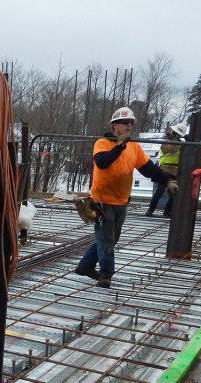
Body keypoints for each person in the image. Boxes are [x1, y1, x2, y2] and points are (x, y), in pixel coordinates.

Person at [75, 107, 177, 288]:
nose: (129, 126)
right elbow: (102, 162)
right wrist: (119, 146)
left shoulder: (134, 147)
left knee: (111, 238)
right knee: (106, 239)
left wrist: (167, 180)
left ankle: (85, 266)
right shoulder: (103, 143)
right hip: (102, 200)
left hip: (121, 200)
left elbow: (148, 169)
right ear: (115, 125)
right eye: (125, 122)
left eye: (131, 123)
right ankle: (106, 274)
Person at [146, 122, 188, 217]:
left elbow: (186, 152)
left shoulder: (179, 143)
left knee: (173, 193)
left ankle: (166, 212)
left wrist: (186, 141)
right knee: (160, 191)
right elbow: (169, 149)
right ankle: (151, 210)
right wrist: (175, 140)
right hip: (165, 170)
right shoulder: (167, 142)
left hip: (174, 170)